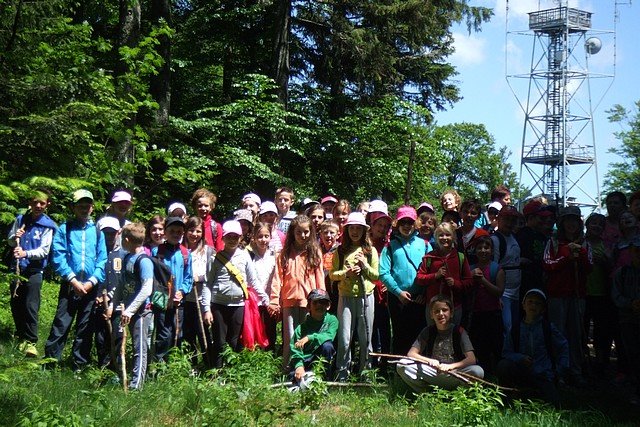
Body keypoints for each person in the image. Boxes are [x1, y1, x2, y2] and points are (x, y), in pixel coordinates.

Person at [45, 189, 107, 370]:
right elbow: (58, 256)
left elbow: (102, 259)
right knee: (61, 323)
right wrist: (73, 280)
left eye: (87, 205)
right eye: (80, 205)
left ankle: (79, 364)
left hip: (90, 287)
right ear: (73, 207)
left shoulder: (98, 232)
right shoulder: (65, 229)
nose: (84, 209)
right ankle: (50, 362)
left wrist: (91, 282)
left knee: (85, 327)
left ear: (92, 208)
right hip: (70, 285)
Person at [202, 220, 263, 368]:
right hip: (218, 305)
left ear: (240, 237)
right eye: (228, 236)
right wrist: (206, 309)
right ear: (223, 238)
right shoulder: (215, 259)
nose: (232, 239)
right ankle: (217, 372)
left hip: (238, 305)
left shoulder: (245, 256)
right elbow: (207, 284)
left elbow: (253, 280)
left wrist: (264, 298)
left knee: (234, 341)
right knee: (219, 341)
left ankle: (231, 373)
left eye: (235, 236)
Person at [543, 206, 591, 386]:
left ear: (579, 223)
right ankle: (559, 371)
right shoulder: (553, 242)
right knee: (558, 333)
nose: (571, 224)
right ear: (562, 223)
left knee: (576, 334)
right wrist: (566, 258)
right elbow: (547, 263)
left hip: (577, 295)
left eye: (574, 220)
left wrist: (580, 254)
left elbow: (590, 267)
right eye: (567, 220)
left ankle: (576, 370)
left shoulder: (585, 243)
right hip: (557, 295)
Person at [497, 289, 569, 408]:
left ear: (543, 309)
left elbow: (563, 347)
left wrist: (559, 370)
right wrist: (520, 358)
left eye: (537, 303)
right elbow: (506, 352)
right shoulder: (515, 329)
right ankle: (508, 397)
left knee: (554, 405)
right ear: (523, 305)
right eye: (530, 302)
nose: (533, 305)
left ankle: (537, 393)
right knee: (503, 365)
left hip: (543, 374)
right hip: (521, 372)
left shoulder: (548, 328)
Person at [269, 215, 325, 369]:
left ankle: (306, 370)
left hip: (309, 303)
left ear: (311, 232)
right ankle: (288, 370)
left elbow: (320, 278)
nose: (303, 235)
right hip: (289, 301)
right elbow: (277, 278)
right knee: (290, 338)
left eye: (306, 232)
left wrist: (321, 301)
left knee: (306, 338)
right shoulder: (284, 253)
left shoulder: (315, 253)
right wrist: (274, 299)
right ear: (292, 233)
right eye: (299, 232)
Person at [396, 295, 484, 392]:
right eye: (436, 311)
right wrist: (429, 361)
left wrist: (451, 366)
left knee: (477, 371)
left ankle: (458, 392)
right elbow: (411, 353)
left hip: (455, 373)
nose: (441, 314)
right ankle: (427, 392)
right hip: (433, 372)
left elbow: (471, 359)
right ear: (431, 315)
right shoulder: (427, 331)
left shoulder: (459, 331)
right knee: (402, 364)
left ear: (451, 313)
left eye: (444, 310)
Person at [7, 190, 58, 357]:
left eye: (42, 203)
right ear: (30, 202)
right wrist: (15, 237)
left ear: (47, 204)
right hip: (17, 268)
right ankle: (20, 336)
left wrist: (26, 253)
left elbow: (44, 251)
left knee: (30, 304)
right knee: (16, 303)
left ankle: (31, 341)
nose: (38, 206)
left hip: (34, 271)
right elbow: (10, 241)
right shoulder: (21, 219)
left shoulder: (48, 225)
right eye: (35, 202)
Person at [330, 212, 379, 380]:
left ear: (364, 231)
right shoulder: (340, 251)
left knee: (366, 337)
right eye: (352, 228)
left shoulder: (370, 251)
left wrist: (364, 266)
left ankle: (366, 373)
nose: (355, 232)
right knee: (344, 338)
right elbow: (332, 275)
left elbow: (376, 275)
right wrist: (347, 273)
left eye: (359, 228)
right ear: (347, 230)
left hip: (366, 297)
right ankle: (342, 373)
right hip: (345, 297)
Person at [107, 222, 154, 390]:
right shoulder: (127, 258)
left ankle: (136, 385)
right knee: (129, 345)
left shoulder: (144, 261)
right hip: (128, 311)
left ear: (126, 240)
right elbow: (121, 284)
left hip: (142, 312)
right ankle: (125, 377)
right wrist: (113, 304)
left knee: (139, 348)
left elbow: (147, 288)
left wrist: (130, 310)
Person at [379, 206, 430, 355]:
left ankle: (417, 365)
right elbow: (383, 272)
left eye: (410, 222)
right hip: (397, 298)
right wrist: (398, 292)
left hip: (419, 298)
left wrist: (424, 293)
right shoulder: (390, 246)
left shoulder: (425, 245)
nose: (406, 226)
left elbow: (432, 270)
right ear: (397, 224)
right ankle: (398, 365)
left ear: (416, 223)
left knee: (419, 335)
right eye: (403, 222)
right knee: (400, 333)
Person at [151, 216, 192, 362]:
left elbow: (188, 277)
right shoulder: (157, 252)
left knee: (177, 331)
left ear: (183, 233)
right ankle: (160, 363)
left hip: (178, 300)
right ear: (165, 232)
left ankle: (174, 363)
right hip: (161, 299)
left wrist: (182, 291)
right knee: (163, 333)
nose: (175, 234)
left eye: (179, 231)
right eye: (172, 231)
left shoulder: (185, 254)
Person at [416, 222, 473, 327]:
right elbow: (419, 278)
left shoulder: (460, 257)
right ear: (436, 237)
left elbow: (469, 281)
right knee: (433, 334)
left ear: (453, 237)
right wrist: (435, 276)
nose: (444, 238)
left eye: (448, 235)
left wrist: (455, 283)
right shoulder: (429, 258)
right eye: (441, 235)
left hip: (454, 307)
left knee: (452, 334)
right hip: (433, 307)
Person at [467, 235, 505, 375]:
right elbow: (465, 289)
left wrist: (482, 280)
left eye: (486, 247)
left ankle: (498, 375)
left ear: (492, 250)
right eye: (480, 248)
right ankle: (482, 376)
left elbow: (499, 292)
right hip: (476, 314)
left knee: (495, 346)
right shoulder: (470, 269)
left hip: (493, 314)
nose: (483, 251)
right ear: (475, 250)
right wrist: (471, 277)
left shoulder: (497, 269)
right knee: (478, 346)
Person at [611, 237, 640, 405]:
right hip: (628, 320)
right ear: (631, 252)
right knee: (632, 354)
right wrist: (630, 303)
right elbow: (616, 296)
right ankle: (635, 389)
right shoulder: (621, 273)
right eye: (637, 250)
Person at [183, 216, 215, 366]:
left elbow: (213, 275)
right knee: (188, 334)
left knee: (204, 333)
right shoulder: (181, 250)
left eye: (198, 231)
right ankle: (192, 364)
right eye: (191, 230)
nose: (194, 234)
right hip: (185, 300)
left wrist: (200, 277)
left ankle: (208, 363)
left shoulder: (208, 251)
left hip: (203, 299)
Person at [289, 289, 339, 382]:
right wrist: (299, 366)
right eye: (315, 302)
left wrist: (310, 337)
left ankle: (325, 380)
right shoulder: (301, 328)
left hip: (322, 360)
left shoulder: (332, 320)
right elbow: (295, 350)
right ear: (308, 306)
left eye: (323, 302)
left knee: (327, 346)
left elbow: (330, 336)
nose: (319, 305)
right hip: (306, 361)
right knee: (294, 377)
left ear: (328, 306)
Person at [491, 205, 522, 333]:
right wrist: (496, 295)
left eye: (512, 220)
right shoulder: (495, 240)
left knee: (514, 326)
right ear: (499, 219)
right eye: (506, 219)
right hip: (504, 293)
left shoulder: (514, 237)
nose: (509, 223)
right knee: (506, 327)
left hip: (516, 292)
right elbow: (493, 267)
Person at [250, 222, 278, 352]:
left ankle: (270, 354)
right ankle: (254, 354)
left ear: (270, 237)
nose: (263, 240)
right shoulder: (249, 255)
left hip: (270, 298)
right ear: (254, 237)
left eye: (266, 236)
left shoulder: (275, 255)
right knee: (255, 328)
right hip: (254, 299)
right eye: (260, 236)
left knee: (270, 328)